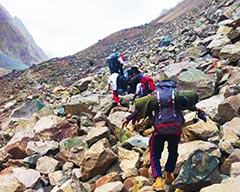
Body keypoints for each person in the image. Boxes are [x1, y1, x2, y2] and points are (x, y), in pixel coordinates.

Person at [122, 80, 207, 191]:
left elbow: (141, 109)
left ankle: (158, 180)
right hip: (175, 129)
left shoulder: (154, 96)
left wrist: (129, 118)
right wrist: (199, 111)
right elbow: (188, 105)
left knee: (155, 154)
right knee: (173, 152)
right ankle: (168, 175)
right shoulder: (175, 95)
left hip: (159, 130)